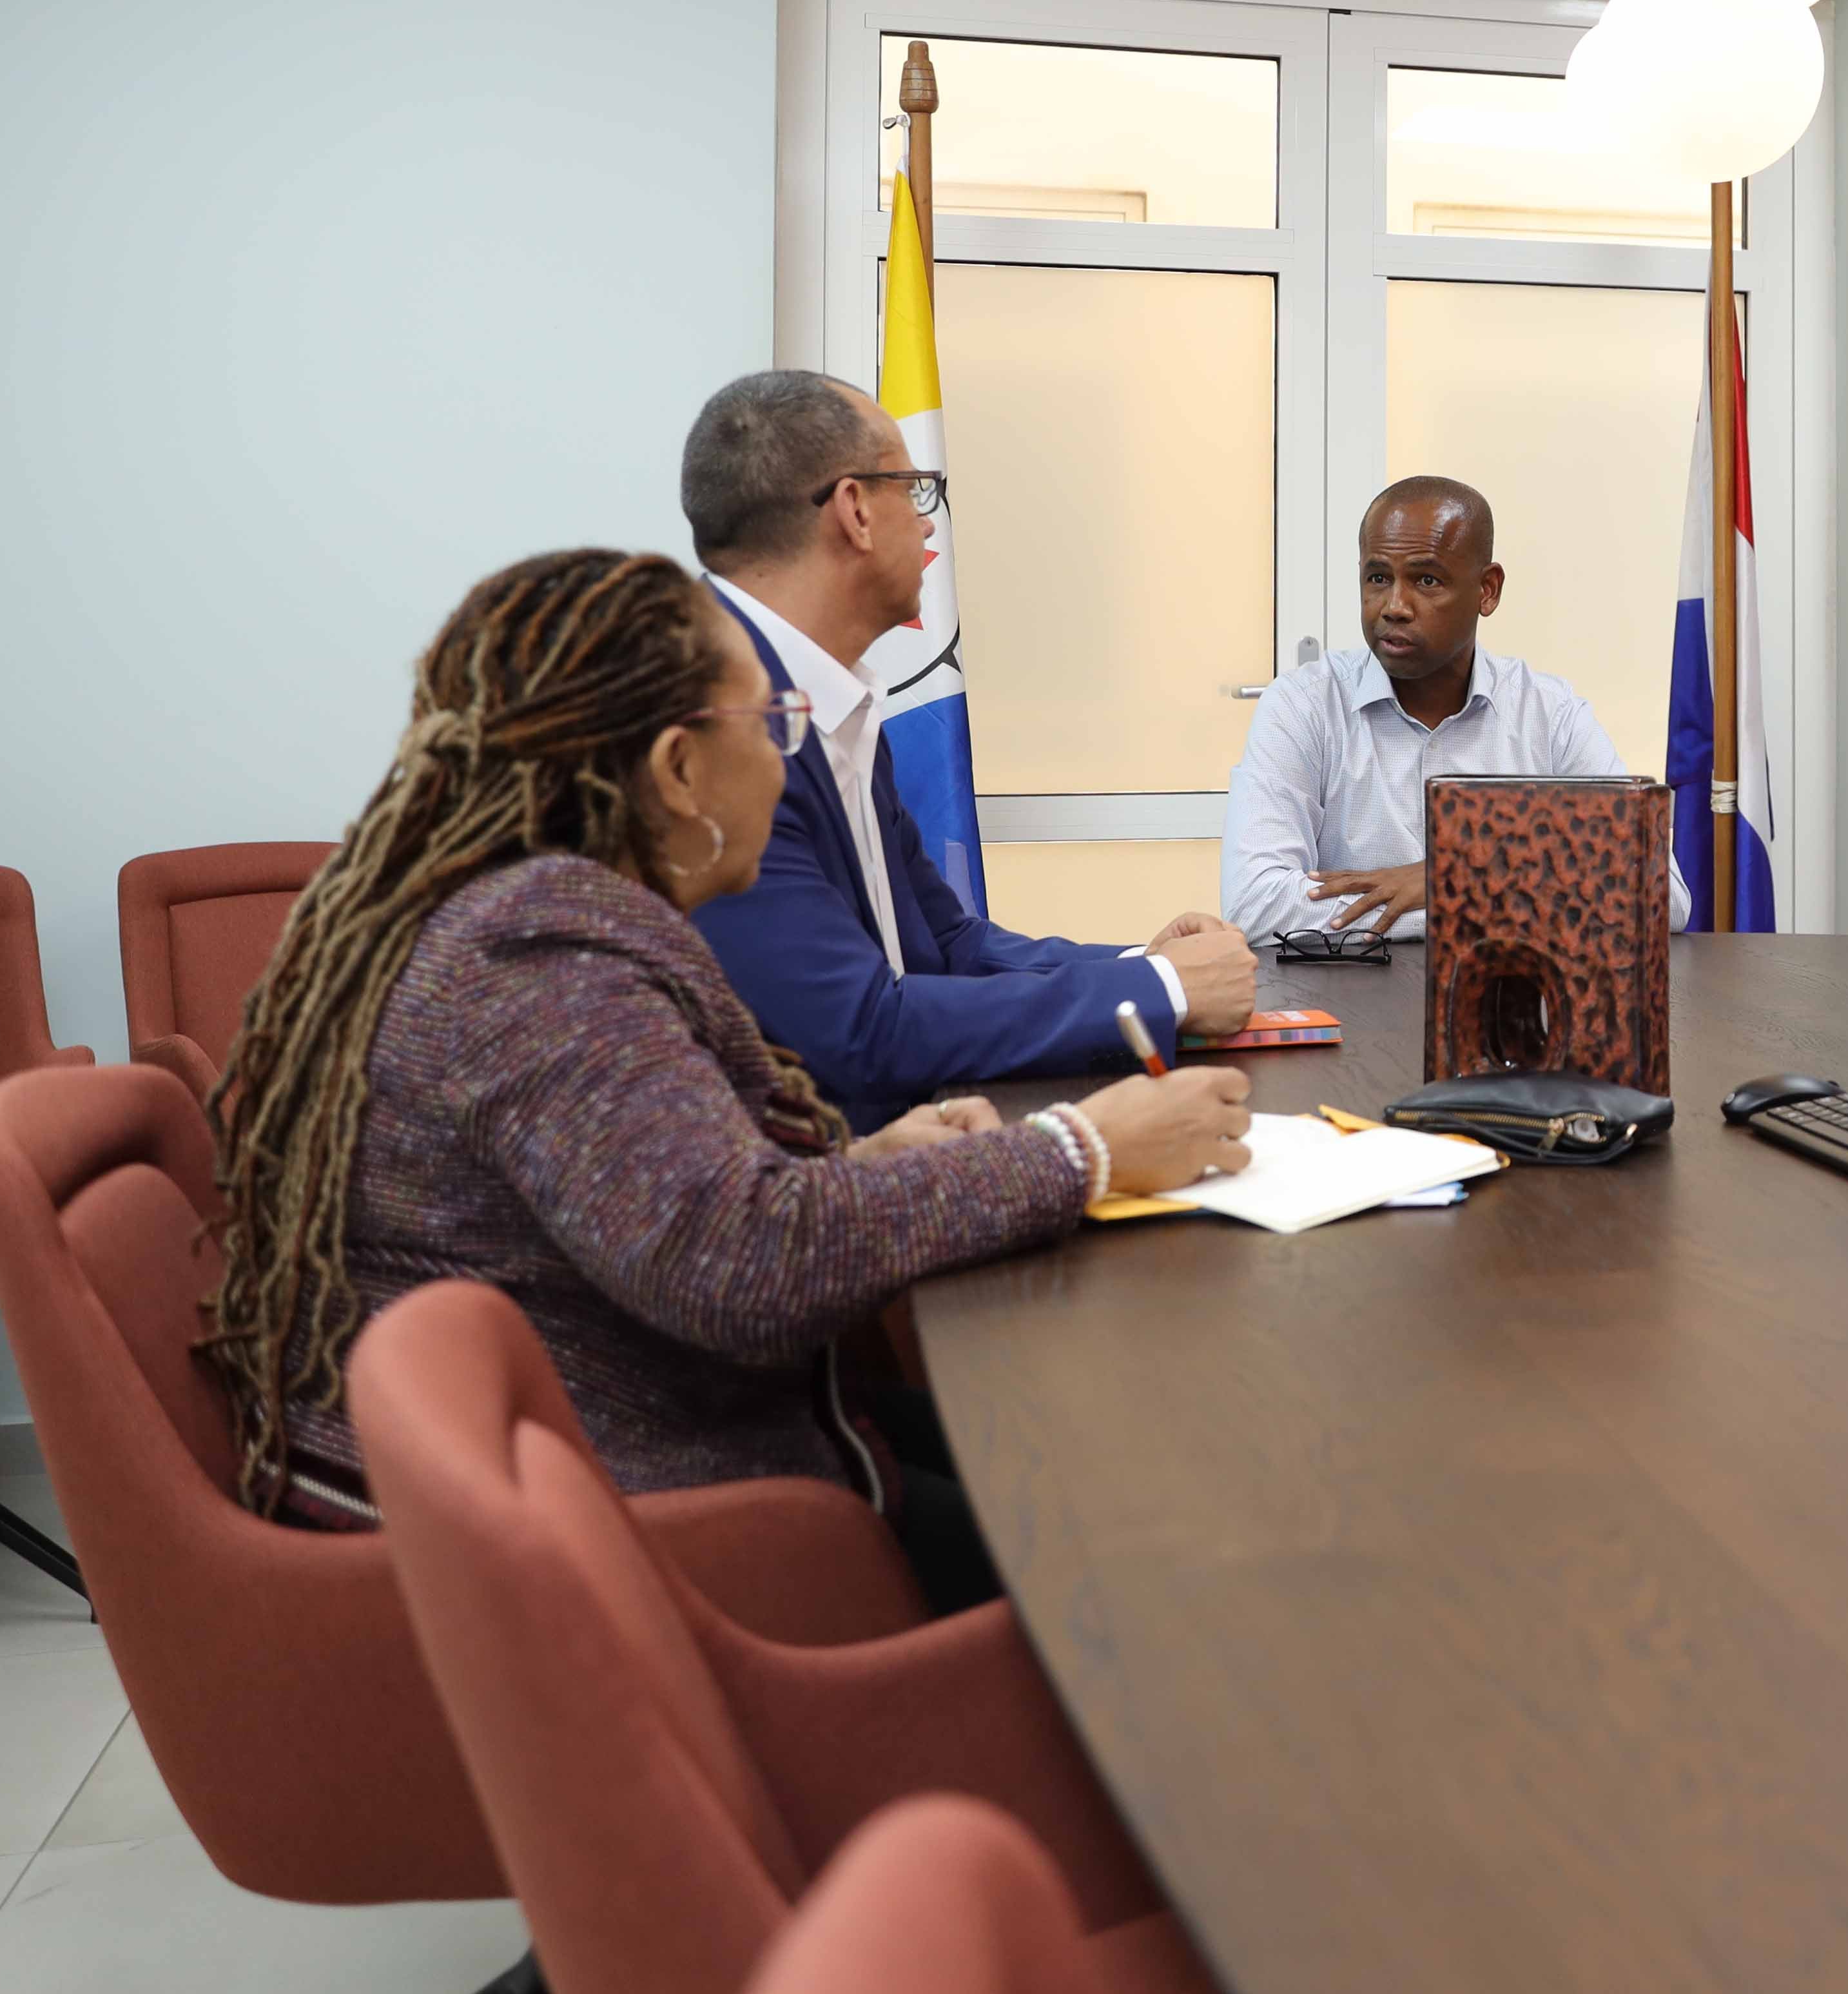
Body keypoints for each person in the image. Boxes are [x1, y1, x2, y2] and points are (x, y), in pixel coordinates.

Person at [199, 549, 1254, 1610]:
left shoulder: (527, 914)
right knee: (1149, 1565)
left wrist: (856, 1161)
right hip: (625, 1543)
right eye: (771, 724)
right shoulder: (542, 961)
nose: (787, 758)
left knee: (1087, 1469)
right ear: (677, 769)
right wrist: (1086, 1150)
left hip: (620, 1455)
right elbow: (746, 1266)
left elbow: (664, 1199)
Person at [677, 372, 1259, 1133]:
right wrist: (1160, 992)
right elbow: (857, 1029)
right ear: (854, 510)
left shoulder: (834, 694)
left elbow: (944, 942)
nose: (929, 527)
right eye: (914, 491)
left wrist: (1133, 964)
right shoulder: (721, 722)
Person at [1223, 475, 1686, 943]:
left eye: (1426, 580)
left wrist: (1448, 880)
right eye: (1378, 578)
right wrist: (1504, 897)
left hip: (1510, 1005)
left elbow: (1660, 895)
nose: (1394, 606)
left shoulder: (1549, 714)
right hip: (1348, 1004)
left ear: (1487, 590)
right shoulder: (1304, 705)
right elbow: (1256, 903)